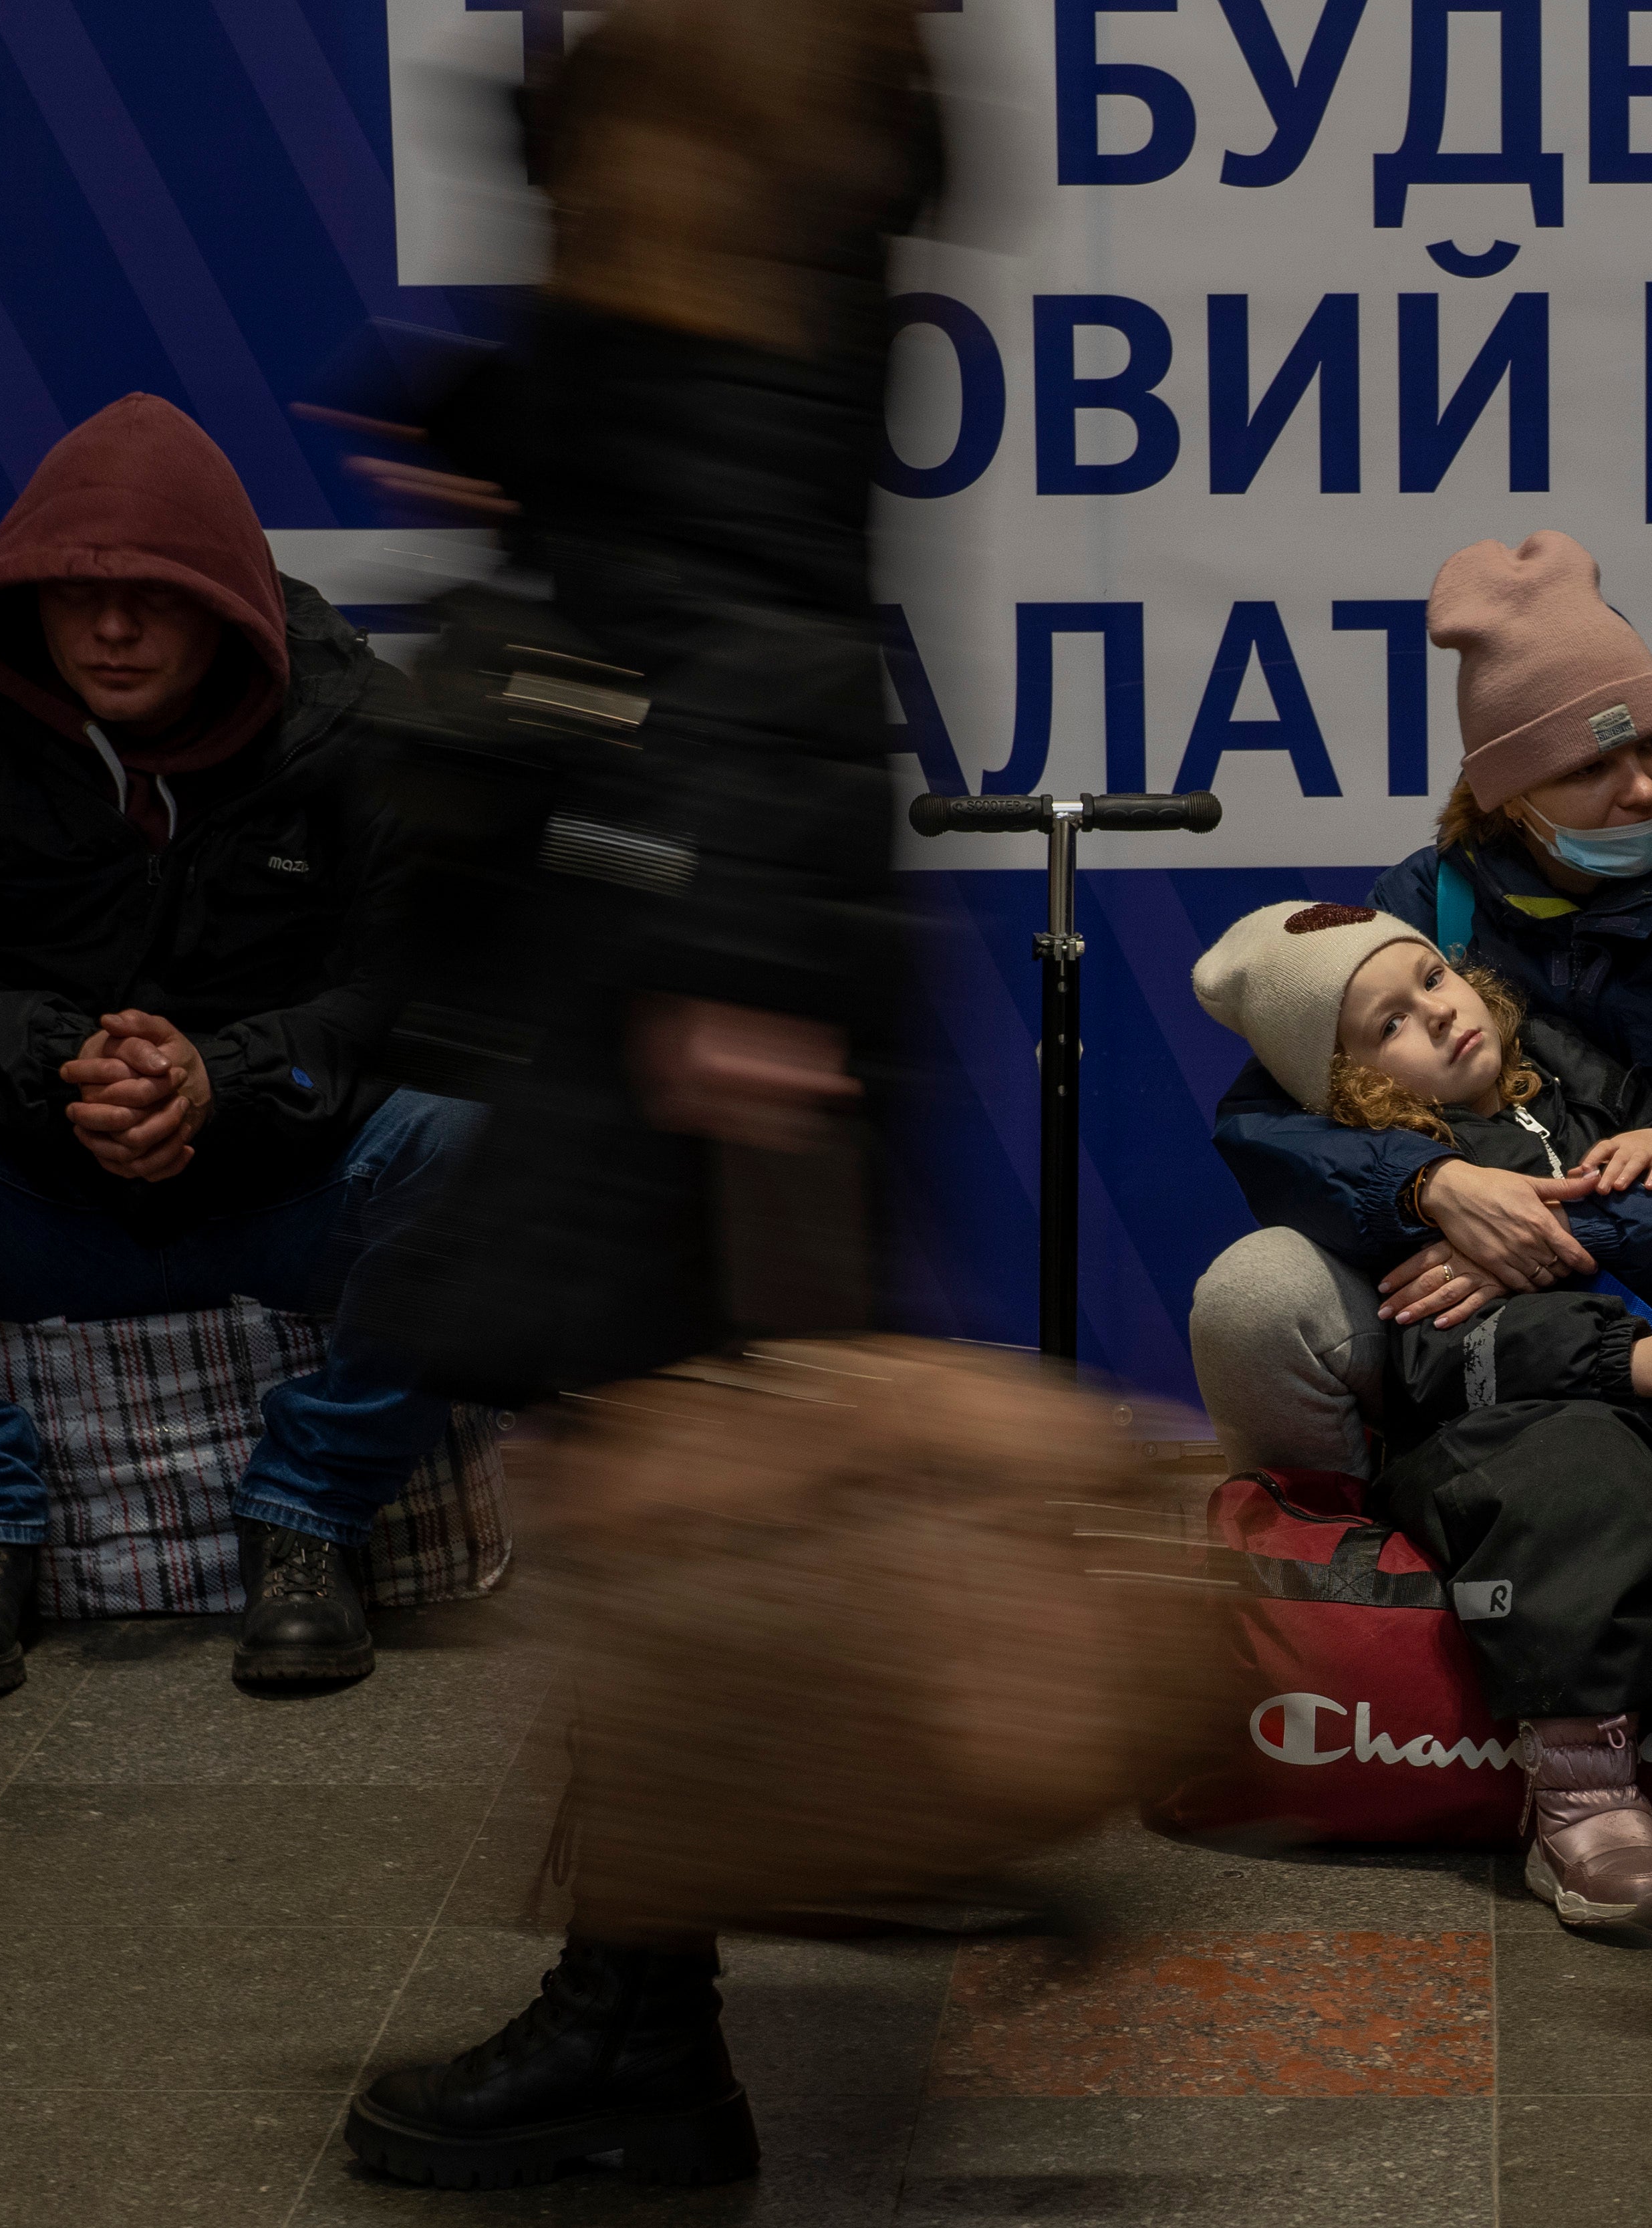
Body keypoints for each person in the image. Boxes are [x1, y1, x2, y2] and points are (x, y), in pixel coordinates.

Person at [341, 0, 944, 2189]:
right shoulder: (728, 162)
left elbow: (757, 599)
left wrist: (748, 969)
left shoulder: (742, 156)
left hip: (704, 937)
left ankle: (651, 2025)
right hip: (688, 911)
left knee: (659, 1495)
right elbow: (675, 512)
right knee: (653, 1484)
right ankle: (660, 1986)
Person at [0, 393, 470, 1698]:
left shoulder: (361, 724)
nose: (109, 629)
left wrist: (224, 1077)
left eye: (152, 597)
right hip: (33, 1182)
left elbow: (422, 993)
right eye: (74, 593)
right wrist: (70, 1064)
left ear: (225, 599)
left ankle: (310, 1519)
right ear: (26, 598)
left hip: (277, 1185)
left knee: (469, 1132)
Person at [1192, 898, 1652, 1926]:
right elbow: (1432, 1363)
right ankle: (1581, 1795)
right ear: (1356, 1086)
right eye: (1388, 1026)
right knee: (1580, 1491)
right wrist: (1615, 1358)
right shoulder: (1407, 1182)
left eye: (1432, 978)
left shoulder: (1556, 1082)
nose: (1437, 1012)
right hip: (1494, 1438)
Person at [1193, 529, 1652, 1479]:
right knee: (1253, 1295)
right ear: (1505, 799)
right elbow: (1265, 1122)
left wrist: (1561, 1237)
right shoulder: (1424, 905)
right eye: (1589, 767)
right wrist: (1429, 1186)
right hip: (1466, 1310)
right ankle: (1351, 1599)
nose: (1645, 784)